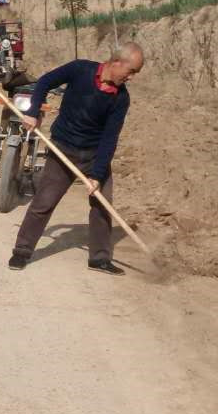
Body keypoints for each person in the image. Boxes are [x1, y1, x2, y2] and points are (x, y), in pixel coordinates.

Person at [8, 42, 144, 274]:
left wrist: (98, 175)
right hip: (63, 149)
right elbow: (44, 82)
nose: (131, 78)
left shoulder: (120, 98)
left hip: (93, 154)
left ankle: (99, 259)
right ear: (117, 62)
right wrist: (32, 113)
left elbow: (110, 138)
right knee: (44, 202)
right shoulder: (80, 69)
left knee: (102, 205)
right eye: (131, 71)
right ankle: (22, 251)